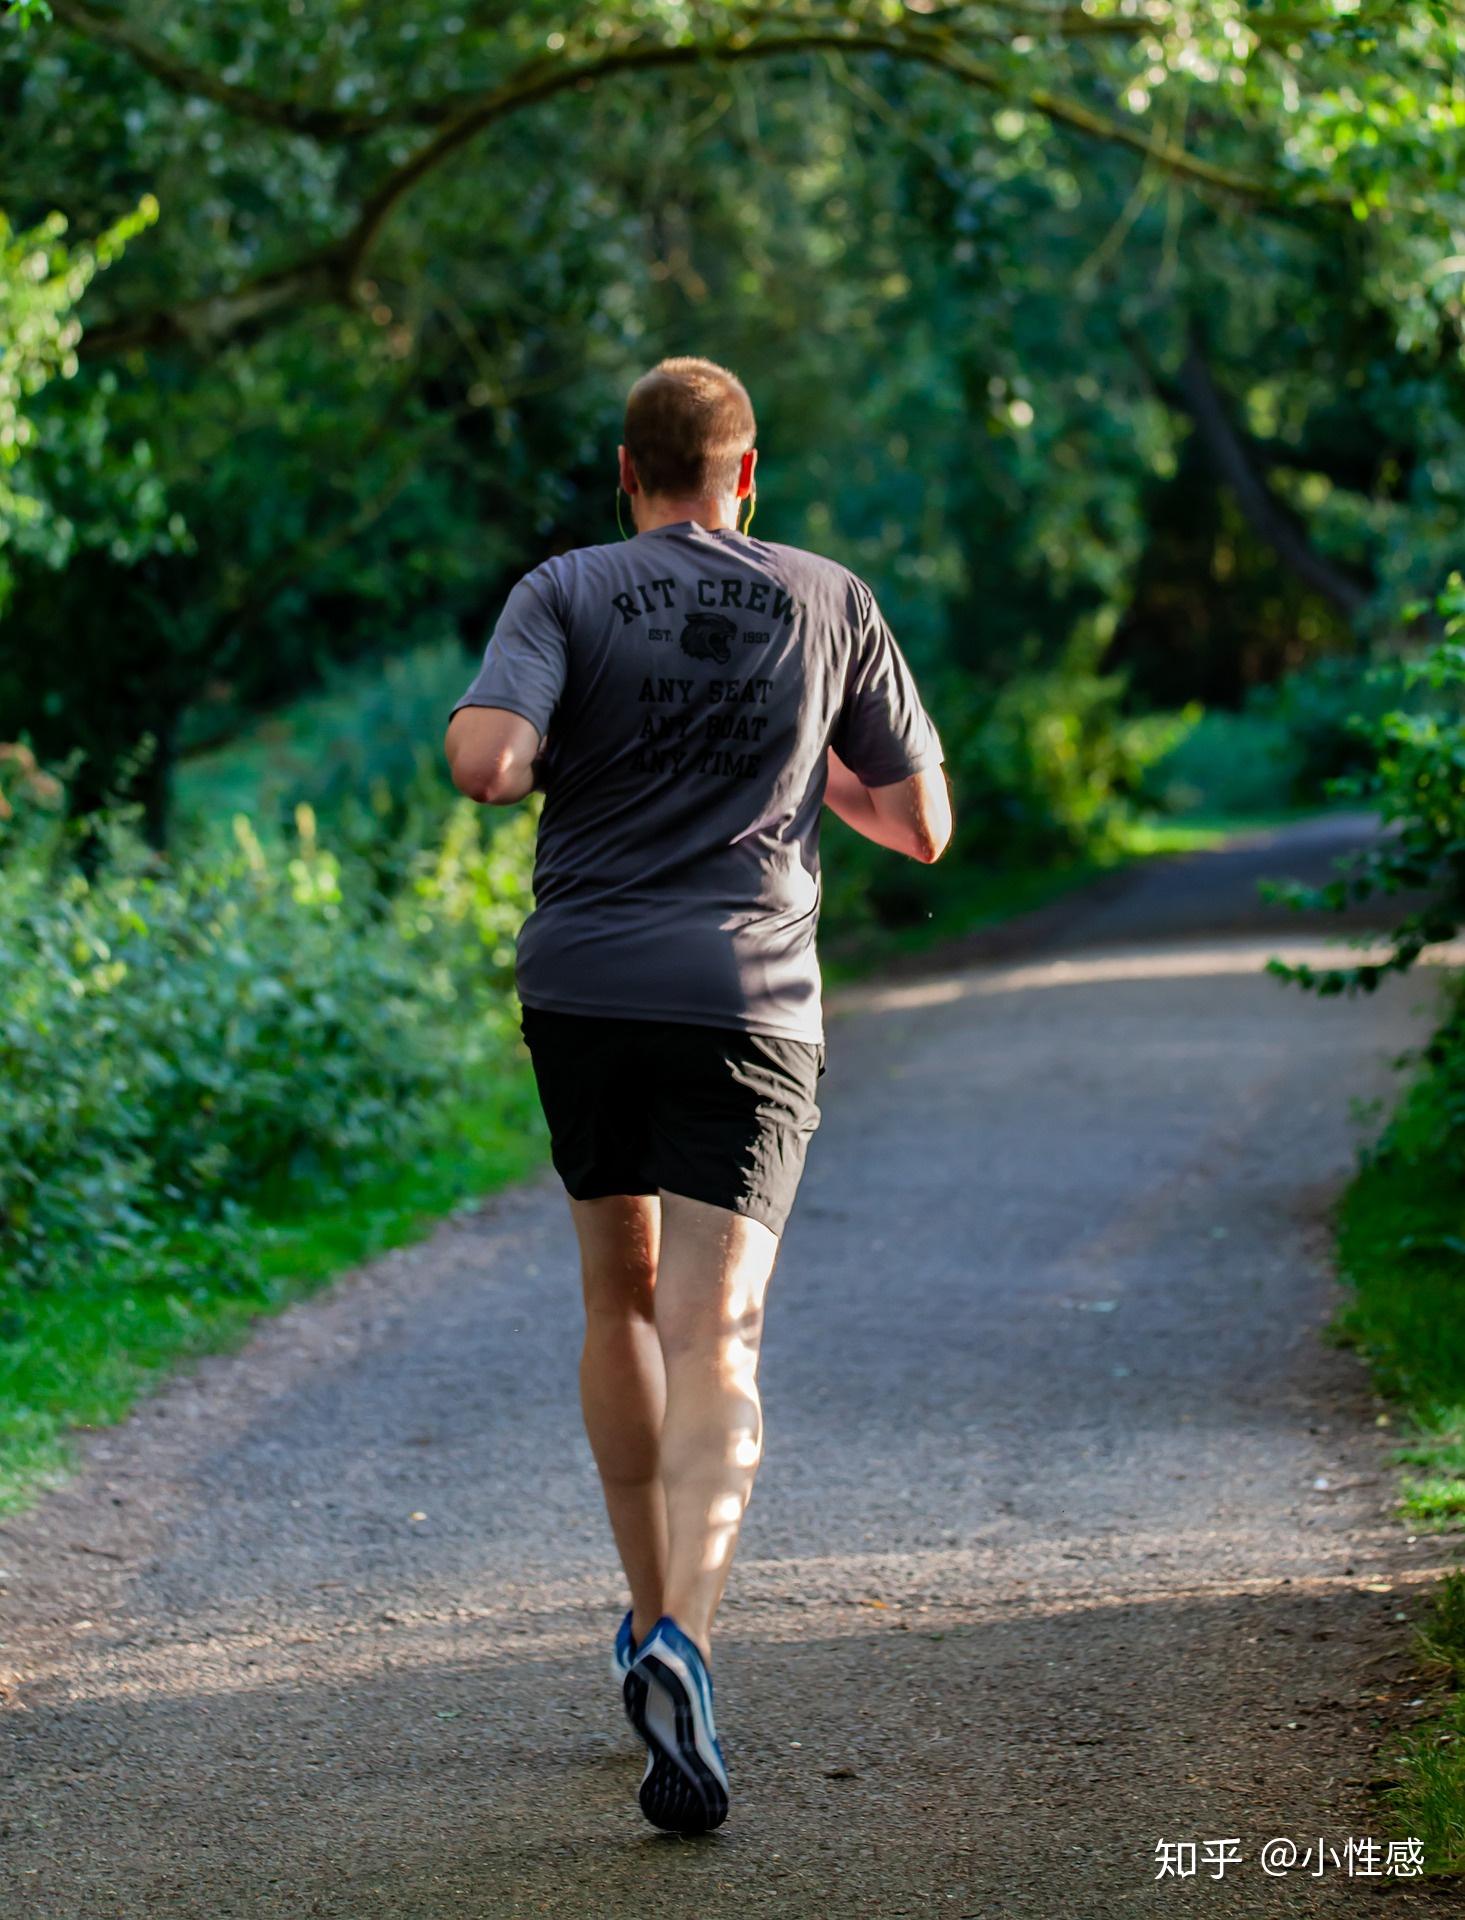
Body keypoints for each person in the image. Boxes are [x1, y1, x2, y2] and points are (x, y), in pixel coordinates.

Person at [444, 356, 951, 1835]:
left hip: (587, 989)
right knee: (715, 1325)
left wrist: (522, 750)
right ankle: (688, 1640)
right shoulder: (830, 596)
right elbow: (920, 823)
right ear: (748, 471)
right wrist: (822, 794)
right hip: (746, 1002)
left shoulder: (563, 591)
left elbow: (487, 758)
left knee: (621, 1298)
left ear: (625, 471)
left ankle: (642, 1610)